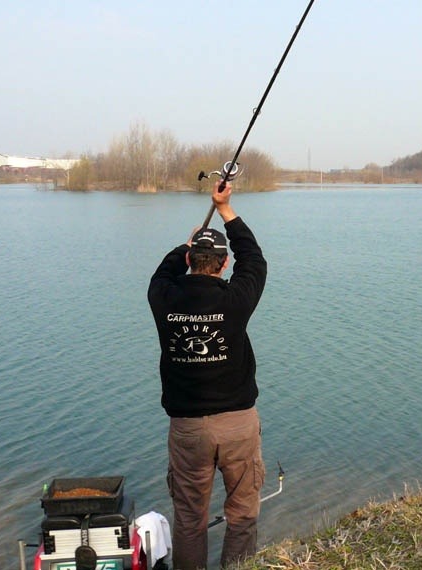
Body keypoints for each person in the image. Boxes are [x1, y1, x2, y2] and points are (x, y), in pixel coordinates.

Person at [147, 182, 268, 570]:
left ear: (190, 259)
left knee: (189, 519)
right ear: (223, 264)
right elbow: (255, 259)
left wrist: (185, 248)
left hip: (187, 430)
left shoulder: (163, 299)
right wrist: (226, 209)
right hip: (237, 425)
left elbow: (162, 273)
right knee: (243, 513)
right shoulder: (235, 300)